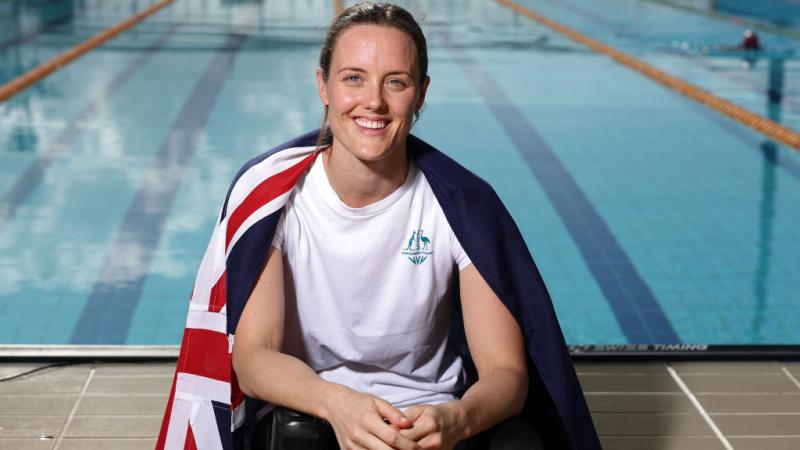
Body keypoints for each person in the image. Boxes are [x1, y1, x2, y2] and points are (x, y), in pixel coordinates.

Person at [156, 3, 599, 450]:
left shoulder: (462, 206)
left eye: (396, 82)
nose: (374, 102)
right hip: (316, 414)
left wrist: (456, 419)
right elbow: (253, 359)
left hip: (430, 420)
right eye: (353, 78)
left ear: (421, 93)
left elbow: (507, 374)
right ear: (323, 85)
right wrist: (337, 404)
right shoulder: (275, 200)